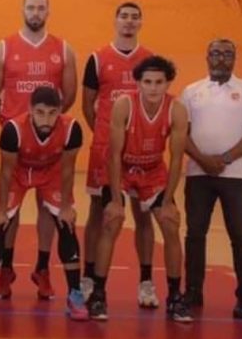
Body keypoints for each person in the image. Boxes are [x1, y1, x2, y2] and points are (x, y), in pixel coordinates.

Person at [0, 0, 77, 299]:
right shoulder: (4, 47)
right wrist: (9, 123)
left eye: (40, 7)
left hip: (49, 149)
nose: (35, 12)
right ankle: (6, 269)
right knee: (9, 212)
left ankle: (42, 268)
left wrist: (48, 127)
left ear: (48, 12)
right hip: (17, 148)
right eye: (30, 7)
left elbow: (69, 96)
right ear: (22, 10)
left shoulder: (63, 49)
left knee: (48, 210)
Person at [86, 55, 192, 323]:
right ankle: (98, 294)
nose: (153, 87)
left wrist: (168, 202)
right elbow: (113, 155)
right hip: (121, 169)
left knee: (170, 224)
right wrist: (115, 201)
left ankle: (175, 297)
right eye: (148, 82)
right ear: (138, 83)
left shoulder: (177, 109)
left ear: (168, 83)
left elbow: (176, 159)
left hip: (153, 170)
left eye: (159, 82)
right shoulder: (124, 105)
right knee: (112, 221)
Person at [0, 87, 88, 320]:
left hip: (51, 172)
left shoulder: (72, 129)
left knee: (66, 224)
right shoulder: (13, 130)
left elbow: (68, 170)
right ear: (30, 110)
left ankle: (75, 293)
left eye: (52, 113)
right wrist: (1, 210)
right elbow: (6, 173)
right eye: (40, 112)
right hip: (18, 173)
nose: (46, 119)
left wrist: (66, 207)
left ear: (60, 111)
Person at [80, 2, 158, 307]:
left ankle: (146, 282)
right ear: (115, 21)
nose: (129, 21)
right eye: (124, 16)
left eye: (134, 17)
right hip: (106, 150)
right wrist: (106, 137)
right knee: (99, 213)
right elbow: (88, 106)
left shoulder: (150, 60)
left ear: (141, 23)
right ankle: (89, 277)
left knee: (143, 214)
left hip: (140, 153)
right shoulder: (98, 58)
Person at [182, 38, 242, 319]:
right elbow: (181, 133)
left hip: (235, 176)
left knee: (240, 235)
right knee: (195, 234)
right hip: (197, 174)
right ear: (207, 57)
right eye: (215, 53)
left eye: (227, 54)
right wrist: (204, 160)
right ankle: (193, 292)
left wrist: (225, 158)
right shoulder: (191, 91)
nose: (221, 58)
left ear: (234, 59)